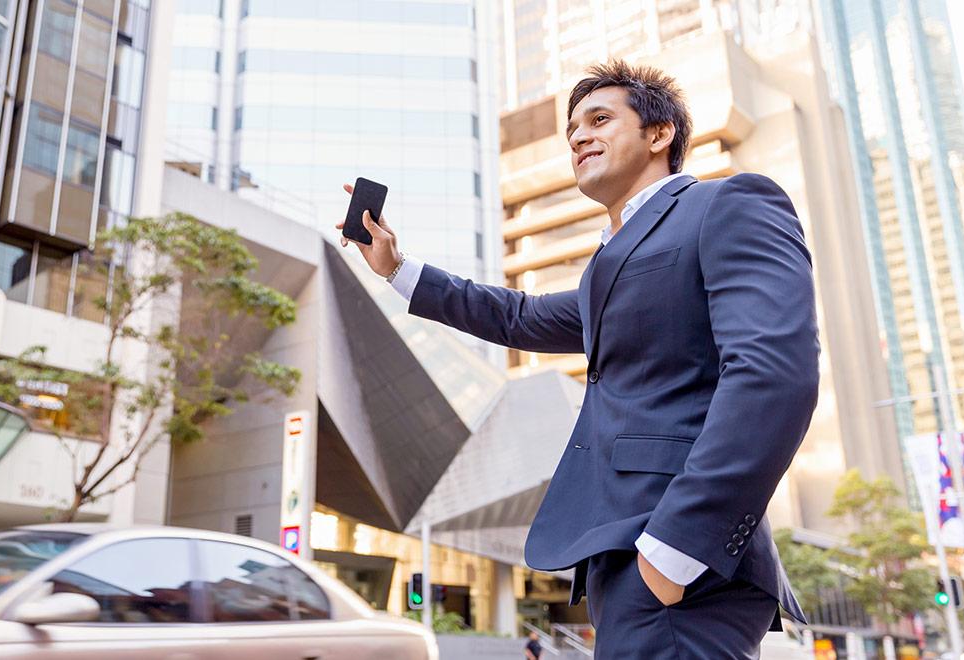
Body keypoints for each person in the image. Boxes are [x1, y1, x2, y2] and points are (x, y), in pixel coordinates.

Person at [337, 60, 819, 659]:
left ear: (659, 134)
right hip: (622, 558)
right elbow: (518, 316)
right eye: (572, 133)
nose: (580, 138)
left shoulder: (728, 206)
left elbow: (775, 376)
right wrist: (396, 269)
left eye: (599, 120)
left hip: (680, 560)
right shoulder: (603, 271)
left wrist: (675, 549)